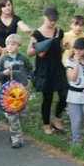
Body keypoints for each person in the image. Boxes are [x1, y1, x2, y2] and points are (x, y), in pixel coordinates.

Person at [28, 7, 68, 135]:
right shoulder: (37, 34)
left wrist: (64, 48)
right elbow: (29, 52)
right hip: (45, 70)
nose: (52, 22)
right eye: (50, 20)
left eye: (55, 20)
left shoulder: (59, 32)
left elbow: (59, 49)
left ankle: (57, 118)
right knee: (48, 98)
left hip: (58, 68)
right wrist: (39, 49)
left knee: (65, 94)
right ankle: (46, 124)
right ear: (44, 17)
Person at [0, 34, 33, 148]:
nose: (10, 46)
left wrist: (28, 79)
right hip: (9, 93)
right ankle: (16, 139)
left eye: (13, 44)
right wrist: (4, 73)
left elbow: (30, 69)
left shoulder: (23, 58)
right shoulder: (3, 59)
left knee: (23, 113)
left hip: (21, 91)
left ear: (18, 46)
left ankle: (15, 132)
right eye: (8, 44)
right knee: (13, 115)